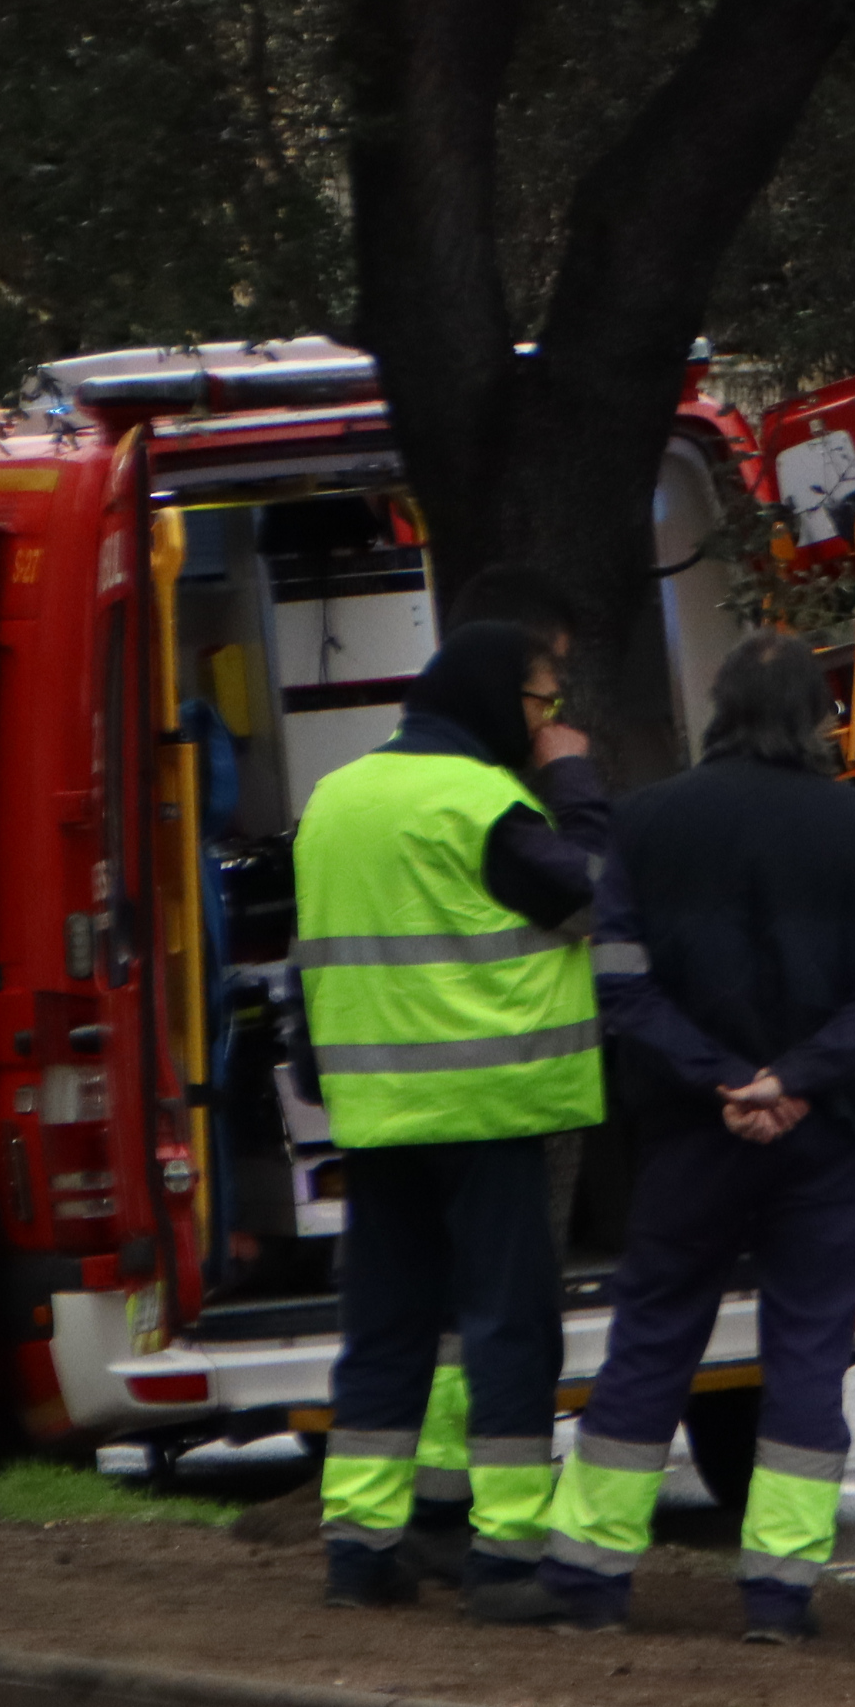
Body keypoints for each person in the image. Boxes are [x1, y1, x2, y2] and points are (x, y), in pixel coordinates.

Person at [475, 634, 855, 1641]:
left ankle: (591, 1576)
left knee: (652, 1339)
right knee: (806, 1349)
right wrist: (795, 1081)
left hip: (690, 1133)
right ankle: (778, 1591)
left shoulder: (645, 822)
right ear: (818, 718)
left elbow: (622, 984)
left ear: (719, 713)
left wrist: (722, 1079)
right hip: (828, 1136)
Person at [293, 616, 611, 1610]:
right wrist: (573, 783)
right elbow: (603, 898)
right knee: (507, 1329)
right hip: (490, 1104)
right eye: (541, 701)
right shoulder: (484, 802)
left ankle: (359, 1550)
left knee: (385, 1330)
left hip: (379, 1112)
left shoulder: (335, 797)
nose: (550, 720)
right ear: (491, 699)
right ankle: (508, 1556)